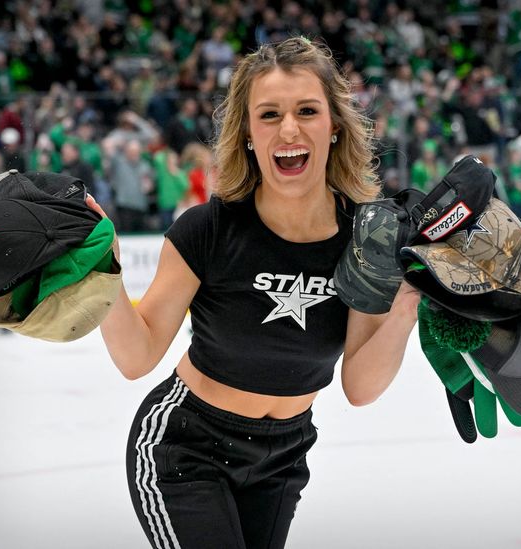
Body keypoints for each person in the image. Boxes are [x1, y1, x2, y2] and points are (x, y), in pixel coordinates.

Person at [86, 37, 419, 549]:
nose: (289, 129)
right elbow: (137, 356)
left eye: (307, 110)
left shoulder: (365, 240)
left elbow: (360, 386)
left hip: (283, 457)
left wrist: (409, 298)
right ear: (246, 134)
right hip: (184, 448)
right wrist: (101, 270)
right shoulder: (207, 230)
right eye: (269, 115)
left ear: (334, 126)